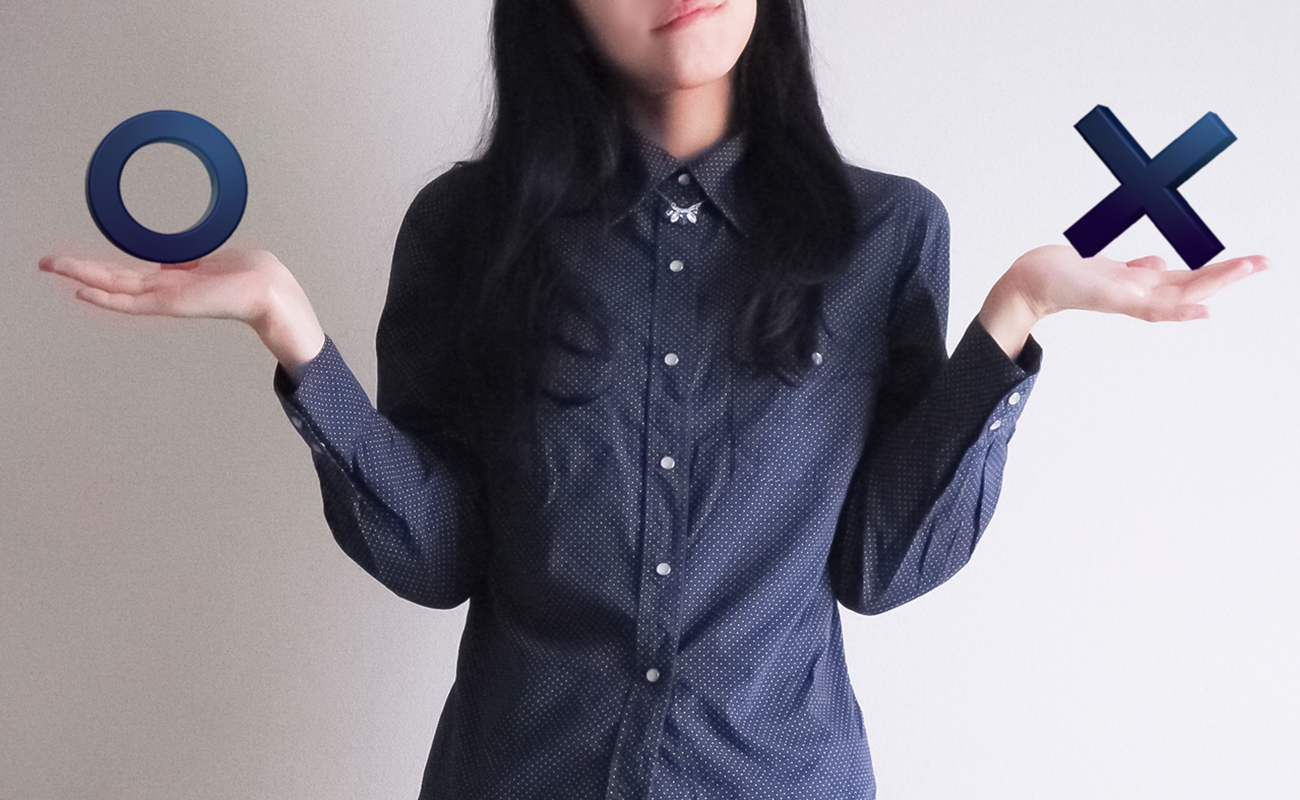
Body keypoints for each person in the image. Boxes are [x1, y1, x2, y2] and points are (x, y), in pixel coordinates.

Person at [39, 0, 1266, 797]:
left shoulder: (884, 232)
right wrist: (296, 340)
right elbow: (440, 554)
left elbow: (879, 566)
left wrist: (1014, 315)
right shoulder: (466, 229)